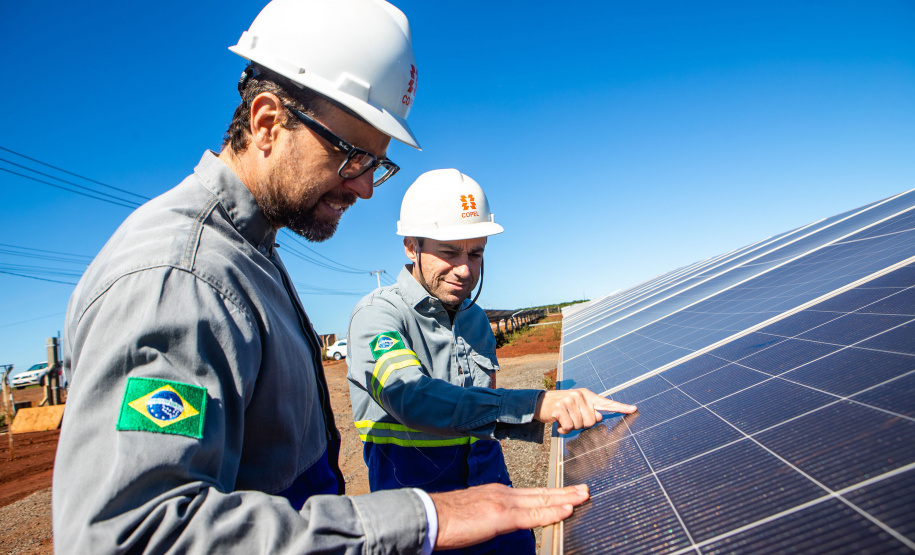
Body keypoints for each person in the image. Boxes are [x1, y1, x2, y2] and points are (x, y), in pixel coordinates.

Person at [51, 1, 594, 553]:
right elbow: (134, 534)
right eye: (352, 155)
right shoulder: (181, 276)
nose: (366, 188)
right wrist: (425, 517)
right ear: (267, 122)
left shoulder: (250, 257)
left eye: (375, 164)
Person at [346, 170, 638, 553]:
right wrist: (535, 404)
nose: (465, 269)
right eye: (449, 252)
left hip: (496, 496)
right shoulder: (377, 317)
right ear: (411, 246)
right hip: (426, 521)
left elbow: (485, 404)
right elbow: (411, 398)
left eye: (476, 253)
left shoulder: (475, 319)